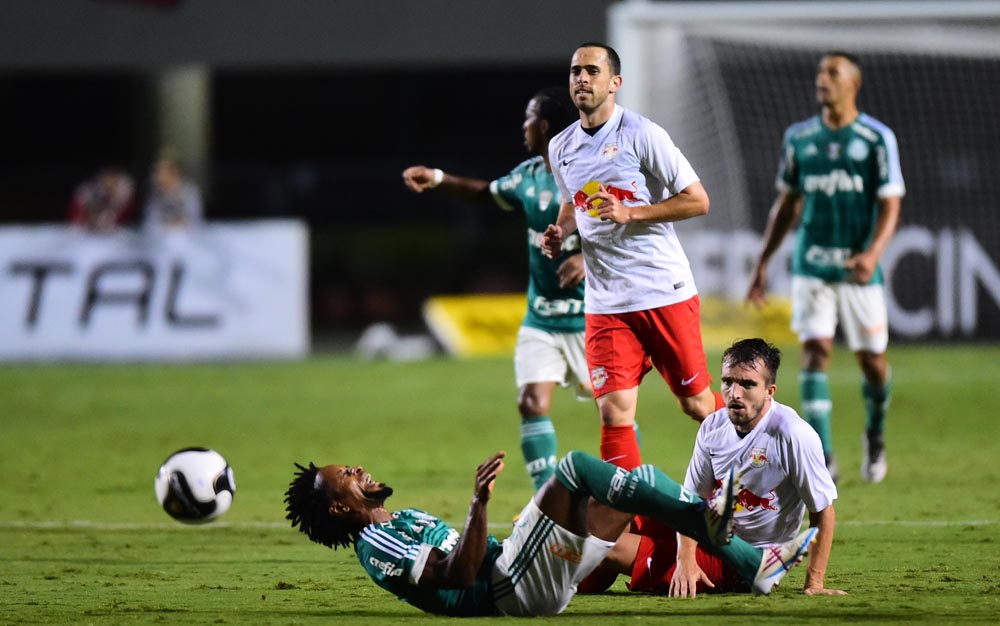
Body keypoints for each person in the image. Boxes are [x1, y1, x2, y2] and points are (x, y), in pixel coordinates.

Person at [284, 445, 818, 617]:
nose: (358, 469)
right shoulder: (377, 545)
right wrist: (478, 504)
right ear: (339, 508)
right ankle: (725, 539)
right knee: (575, 468)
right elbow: (460, 574)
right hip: (507, 586)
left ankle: (752, 563)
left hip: (520, 570)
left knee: (638, 483)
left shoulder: (403, 519)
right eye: (346, 475)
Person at [540, 42, 722, 473]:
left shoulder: (642, 134)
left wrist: (631, 213)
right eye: (575, 71)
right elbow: (573, 202)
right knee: (614, 412)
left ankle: (761, 444)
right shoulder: (561, 146)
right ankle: (626, 511)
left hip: (662, 290)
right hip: (605, 302)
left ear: (614, 83)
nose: (582, 79)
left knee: (696, 404)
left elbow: (698, 200)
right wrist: (560, 231)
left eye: (592, 71)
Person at [401, 87, 590, 490]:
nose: (522, 127)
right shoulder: (528, 175)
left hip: (593, 320)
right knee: (531, 403)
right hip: (541, 318)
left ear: (543, 126)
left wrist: (586, 261)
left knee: (616, 412)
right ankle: (546, 501)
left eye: (528, 118)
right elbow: (486, 193)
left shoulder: (591, 174)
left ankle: (630, 497)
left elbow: (626, 229)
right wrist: (437, 179)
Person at [579, 338, 844, 597]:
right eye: (728, 382)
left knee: (608, 549)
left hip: (743, 561)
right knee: (603, 510)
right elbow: (691, 500)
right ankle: (579, 580)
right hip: (705, 529)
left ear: (769, 391)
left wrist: (814, 582)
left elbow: (823, 510)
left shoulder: (793, 434)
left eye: (747, 384)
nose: (734, 393)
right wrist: (686, 558)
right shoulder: (714, 426)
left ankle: (570, 572)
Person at [746, 52, 904, 483]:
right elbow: (787, 205)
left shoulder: (876, 139)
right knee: (815, 353)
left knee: (872, 362)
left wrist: (872, 254)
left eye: (832, 72)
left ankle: (875, 434)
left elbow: (891, 205)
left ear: (853, 83)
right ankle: (824, 454)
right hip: (811, 266)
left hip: (858, 270)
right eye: (820, 72)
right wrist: (763, 261)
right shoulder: (799, 138)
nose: (822, 79)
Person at [142, 150, 204, 233]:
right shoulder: (154, 194)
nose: (157, 176)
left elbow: (195, 220)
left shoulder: (189, 191)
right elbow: (150, 222)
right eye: (156, 172)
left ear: (174, 172)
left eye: (161, 171)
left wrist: (178, 224)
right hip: (161, 236)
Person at [67, 166, 136, 232]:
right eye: (107, 179)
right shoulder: (90, 191)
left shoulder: (123, 191)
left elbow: (122, 212)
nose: (109, 183)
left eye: (112, 180)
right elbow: (79, 211)